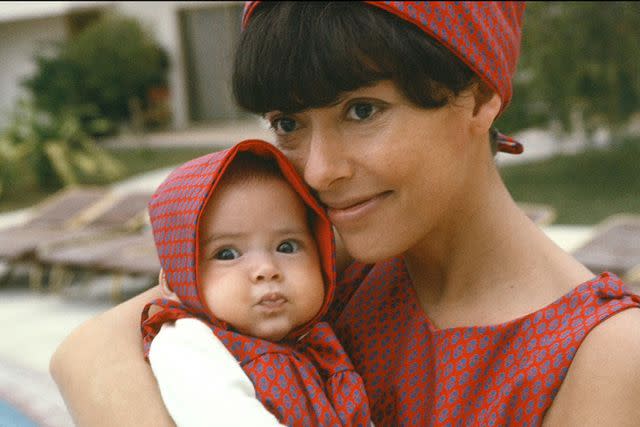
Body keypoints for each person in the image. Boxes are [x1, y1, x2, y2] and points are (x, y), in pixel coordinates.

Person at [50, 2, 640, 426]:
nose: (317, 171)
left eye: (362, 111)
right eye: (289, 124)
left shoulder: (602, 355)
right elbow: (87, 352)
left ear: (482, 95)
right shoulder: (319, 270)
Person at [140, 139, 371, 426]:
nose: (266, 269)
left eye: (287, 247)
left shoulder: (320, 347)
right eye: (227, 254)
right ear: (174, 281)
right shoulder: (188, 342)